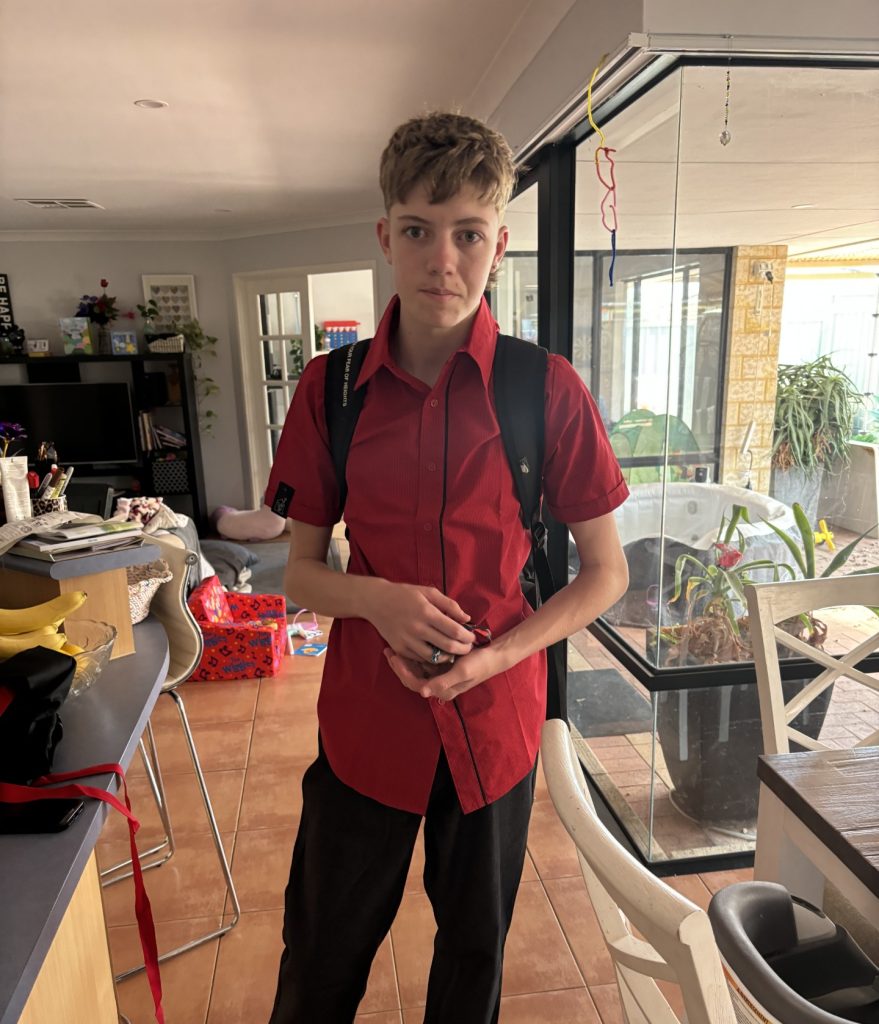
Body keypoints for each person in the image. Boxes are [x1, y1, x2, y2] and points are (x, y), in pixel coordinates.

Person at [264, 110, 630, 1024]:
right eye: (420, 232)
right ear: (386, 236)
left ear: (498, 244)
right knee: (319, 962)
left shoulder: (544, 388)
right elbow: (298, 575)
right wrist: (377, 600)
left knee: (472, 971)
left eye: (467, 234)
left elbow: (604, 573)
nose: (443, 261)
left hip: (494, 731)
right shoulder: (330, 390)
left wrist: (500, 657)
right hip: (364, 731)